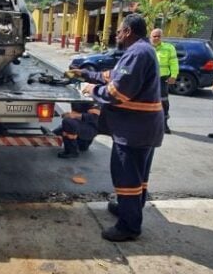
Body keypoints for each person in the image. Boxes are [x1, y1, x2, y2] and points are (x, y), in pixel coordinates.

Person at [68, 14, 164, 242]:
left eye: (119, 31)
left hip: (134, 130)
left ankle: (129, 226)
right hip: (142, 127)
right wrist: (86, 73)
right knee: (138, 176)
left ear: (128, 31)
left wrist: (89, 89)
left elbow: (117, 93)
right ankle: (128, 208)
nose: (117, 34)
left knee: (126, 176)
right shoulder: (139, 51)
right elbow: (112, 76)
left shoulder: (138, 53)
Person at [150, 28, 178, 134]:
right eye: (154, 36)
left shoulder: (169, 48)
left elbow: (174, 63)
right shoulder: (147, 48)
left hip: (162, 79)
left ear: (162, 37)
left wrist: (174, 75)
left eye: (159, 36)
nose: (156, 38)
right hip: (148, 79)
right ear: (150, 37)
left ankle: (164, 123)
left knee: (163, 102)